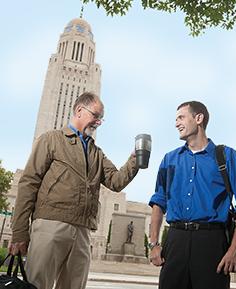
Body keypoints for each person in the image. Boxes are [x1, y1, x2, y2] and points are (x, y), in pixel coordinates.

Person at [9, 92, 139, 289]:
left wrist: (135, 159)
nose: (99, 122)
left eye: (101, 118)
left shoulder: (97, 153)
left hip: (82, 232)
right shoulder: (51, 140)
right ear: (79, 110)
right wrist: (19, 233)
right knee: (37, 285)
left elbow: (115, 182)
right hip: (50, 225)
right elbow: (28, 183)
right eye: (96, 115)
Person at [148, 101, 236, 289]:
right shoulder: (169, 159)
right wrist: (153, 244)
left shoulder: (227, 156)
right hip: (175, 240)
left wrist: (235, 248)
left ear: (199, 118)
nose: (176, 124)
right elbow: (159, 201)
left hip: (212, 244)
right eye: (175, 119)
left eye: (181, 117)